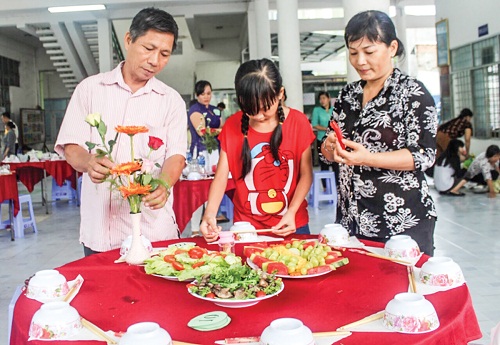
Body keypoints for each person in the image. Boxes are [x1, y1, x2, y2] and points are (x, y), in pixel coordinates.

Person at [55, 7, 187, 256]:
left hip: (154, 231)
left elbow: (176, 156)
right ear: (129, 40)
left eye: (164, 54)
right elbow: (71, 146)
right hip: (101, 234)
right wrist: (89, 162)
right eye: (149, 49)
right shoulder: (90, 90)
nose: (155, 61)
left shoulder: (171, 101)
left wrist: (163, 184)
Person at [320, 10, 437, 255]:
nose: (360, 61)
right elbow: (326, 151)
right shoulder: (347, 95)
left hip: (400, 224)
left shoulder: (412, 93)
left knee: (403, 291)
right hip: (351, 221)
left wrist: (367, 158)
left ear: (392, 48)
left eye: (369, 52)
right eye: (353, 53)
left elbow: (424, 156)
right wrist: (330, 147)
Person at [200, 58, 315, 242]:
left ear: (280, 94)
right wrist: (210, 213)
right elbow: (221, 177)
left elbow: (306, 174)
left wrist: (292, 211)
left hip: (293, 224)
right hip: (247, 229)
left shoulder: (298, 123)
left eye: (265, 109)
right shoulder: (232, 126)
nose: (259, 116)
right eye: (251, 110)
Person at [311, 91, 339, 187]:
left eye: (324, 98)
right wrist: (327, 129)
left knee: (336, 165)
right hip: (322, 140)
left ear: (328, 99)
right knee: (324, 164)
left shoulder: (333, 109)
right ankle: (325, 187)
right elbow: (314, 124)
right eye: (320, 99)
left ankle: (337, 187)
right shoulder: (317, 110)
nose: (322, 101)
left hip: (334, 141)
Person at [188, 80, 223, 157]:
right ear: (197, 95)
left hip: (217, 148)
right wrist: (221, 131)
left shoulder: (214, 109)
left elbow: (221, 126)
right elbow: (202, 132)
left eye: (208, 93)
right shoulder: (195, 109)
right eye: (202, 94)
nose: (206, 97)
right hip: (201, 150)